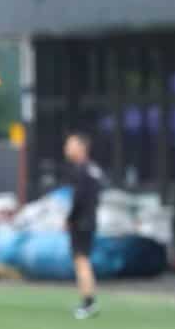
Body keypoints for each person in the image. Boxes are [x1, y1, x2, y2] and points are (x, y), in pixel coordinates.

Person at [65, 131, 103, 320]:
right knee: (84, 260)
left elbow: (78, 199)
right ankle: (89, 300)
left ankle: (88, 302)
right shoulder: (94, 169)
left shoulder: (81, 170)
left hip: (81, 222)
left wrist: (69, 218)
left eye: (70, 144)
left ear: (81, 147)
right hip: (90, 220)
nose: (67, 149)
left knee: (81, 261)